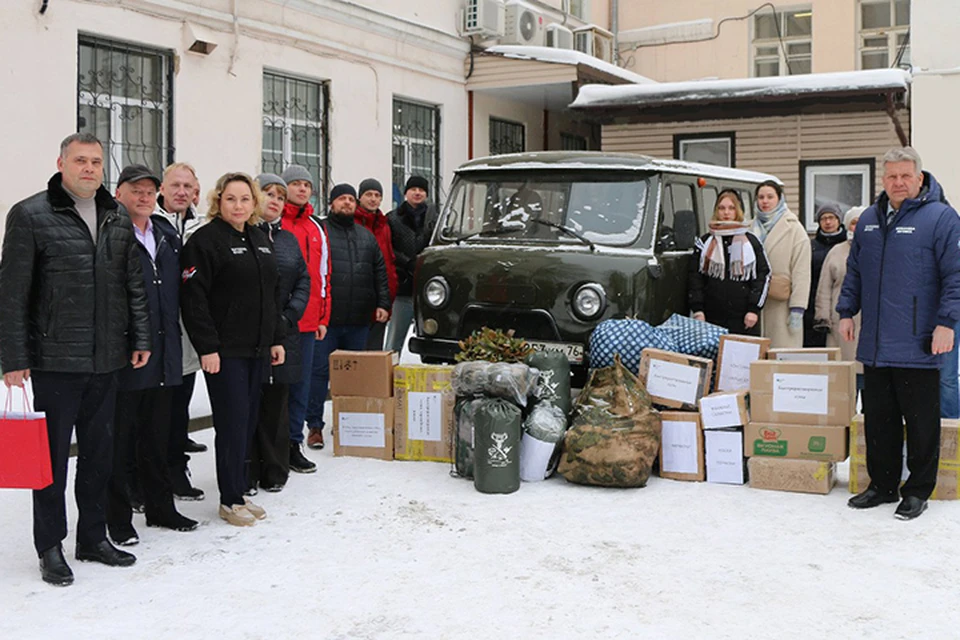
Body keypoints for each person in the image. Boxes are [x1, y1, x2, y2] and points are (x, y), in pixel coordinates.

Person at [0, 133, 151, 586]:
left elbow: (133, 285)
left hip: (106, 360)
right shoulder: (30, 215)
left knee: (99, 456)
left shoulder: (116, 216)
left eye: (96, 162)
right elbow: (11, 294)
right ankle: (50, 546)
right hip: (53, 361)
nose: (89, 169)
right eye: (80, 160)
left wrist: (139, 336)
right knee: (51, 463)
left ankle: (93, 537)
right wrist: (12, 359)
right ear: (61, 163)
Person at [839, 147, 960, 520]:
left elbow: (955, 276)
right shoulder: (872, 219)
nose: (898, 182)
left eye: (906, 176)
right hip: (875, 342)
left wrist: (947, 323)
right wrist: (847, 310)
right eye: (892, 176)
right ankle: (882, 485)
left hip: (918, 341)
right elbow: (855, 270)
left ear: (919, 178)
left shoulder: (941, 219)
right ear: (884, 180)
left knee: (922, 423)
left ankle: (918, 490)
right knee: (879, 420)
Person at [180, 172, 286, 527]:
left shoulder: (259, 237)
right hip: (224, 352)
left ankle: (239, 491)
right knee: (231, 422)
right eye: (230, 199)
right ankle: (228, 499)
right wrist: (207, 347)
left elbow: (271, 295)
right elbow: (194, 300)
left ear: (253, 203)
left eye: (244, 199)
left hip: (257, 348)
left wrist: (275, 339)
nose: (238, 205)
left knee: (248, 419)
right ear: (218, 201)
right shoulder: (206, 241)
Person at [106, 165, 197, 547]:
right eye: (135, 191)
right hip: (127, 354)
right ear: (119, 193)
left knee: (158, 435)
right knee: (120, 439)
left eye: (148, 192)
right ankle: (119, 518)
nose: (143, 198)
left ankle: (161, 507)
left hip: (165, 350)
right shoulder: (111, 232)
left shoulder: (164, 234)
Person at [305, 184, 390, 448]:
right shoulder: (321, 231)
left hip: (359, 320)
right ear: (331, 203)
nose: (347, 203)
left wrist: (383, 303)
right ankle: (315, 426)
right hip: (327, 321)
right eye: (341, 199)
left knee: (355, 376)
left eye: (351, 199)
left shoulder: (366, 237)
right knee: (318, 374)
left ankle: (348, 424)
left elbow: (380, 272)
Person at [248, 174, 310, 493]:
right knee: (250, 402)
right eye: (268, 193)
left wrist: (289, 316)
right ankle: (248, 469)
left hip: (284, 332)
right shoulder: (243, 234)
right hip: (249, 335)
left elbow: (303, 280)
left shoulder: (288, 240)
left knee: (277, 403)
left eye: (280, 197)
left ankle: (275, 469)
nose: (274, 200)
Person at [156, 162, 207, 502]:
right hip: (156, 339)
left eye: (188, 187)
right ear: (162, 188)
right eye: (175, 185)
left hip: (188, 339)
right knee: (152, 415)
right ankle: (146, 480)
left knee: (178, 411)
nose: (181, 192)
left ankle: (176, 472)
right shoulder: (148, 224)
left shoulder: (201, 229)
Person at [280, 164, 329, 463]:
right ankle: (272, 444)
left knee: (302, 384)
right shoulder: (275, 223)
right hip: (280, 320)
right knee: (278, 386)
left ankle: (293, 443)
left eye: (306, 185)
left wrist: (323, 317)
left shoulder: (316, 227)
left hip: (310, 320)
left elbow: (324, 276)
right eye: (295, 184)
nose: (301, 189)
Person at [688, 189, 770, 335]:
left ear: (737, 211)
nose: (726, 213)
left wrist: (754, 309)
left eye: (731, 208)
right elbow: (695, 277)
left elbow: (762, 275)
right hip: (711, 317)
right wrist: (698, 309)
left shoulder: (751, 242)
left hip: (744, 319)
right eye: (722, 208)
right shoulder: (705, 242)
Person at [751, 180, 811, 348]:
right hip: (754, 305)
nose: (765, 201)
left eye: (770, 196)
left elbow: (802, 272)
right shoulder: (749, 227)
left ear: (780, 199)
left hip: (782, 306)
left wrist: (797, 308)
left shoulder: (794, 229)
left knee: (781, 360)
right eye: (761, 197)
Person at [814, 206, 866, 390]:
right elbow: (824, 287)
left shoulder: (878, 248)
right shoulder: (836, 251)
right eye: (853, 223)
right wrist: (823, 317)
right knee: (844, 377)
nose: (857, 227)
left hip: (868, 321)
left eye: (862, 222)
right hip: (841, 321)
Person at [386, 176, 438, 354]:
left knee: (432, 338)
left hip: (429, 290)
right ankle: (388, 374)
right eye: (413, 189)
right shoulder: (393, 218)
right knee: (394, 339)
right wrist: (408, 262)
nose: (417, 193)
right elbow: (389, 248)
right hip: (404, 286)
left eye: (421, 190)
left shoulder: (435, 219)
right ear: (406, 192)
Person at [354, 178, 397, 350]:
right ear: (360, 197)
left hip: (382, 301)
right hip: (358, 302)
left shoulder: (384, 225)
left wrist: (388, 298)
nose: (373, 199)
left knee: (374, 353)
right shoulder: (353, 223)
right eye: (368, 194)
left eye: (377, 195)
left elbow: (389, 261)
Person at [804, 203, 847, 348]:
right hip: (813, 306)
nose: (828, 222)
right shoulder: (811, 246)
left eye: (831, 218)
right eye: (823, 219)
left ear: (839, 220)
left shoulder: (847, 245)